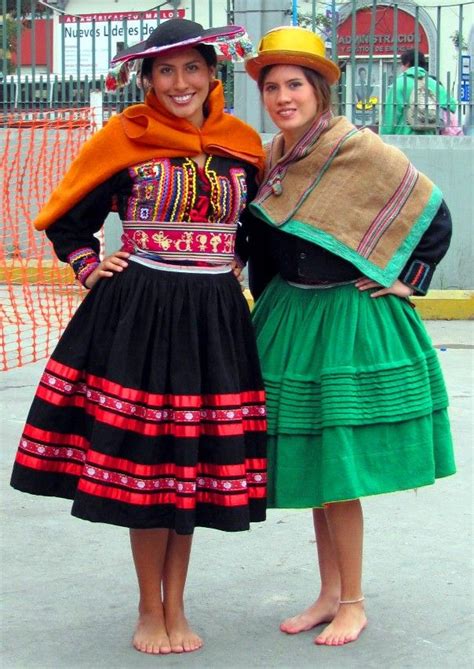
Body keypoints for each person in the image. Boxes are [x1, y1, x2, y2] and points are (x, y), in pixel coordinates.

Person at [10, 19, 267, 656]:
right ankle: (149, 610)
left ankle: (178, 605)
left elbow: (259, 232)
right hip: (142, 318)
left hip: (214, 320)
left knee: (192, 471)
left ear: (213, 75)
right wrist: (92, 267)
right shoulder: (124, 139)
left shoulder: (241, 147)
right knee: (149, 471)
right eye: (165, 71)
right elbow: (67, 220)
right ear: (146, 80)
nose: (180, 83)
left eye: (192, 69)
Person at [245, 26, 455, 647]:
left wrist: (409, 279)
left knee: (339, 468)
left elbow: (432, 213)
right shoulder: (268, 158)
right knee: (314, 465)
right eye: (273, 87)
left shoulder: (357, 148)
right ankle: (328, 594)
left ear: (320, 91)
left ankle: (354, 602)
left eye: (296, 85)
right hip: (291, 317)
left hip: (349, 321)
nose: (284, 97)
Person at [381, 49, 457, 134]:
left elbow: (391, 115)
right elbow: (452, 105)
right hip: (430, 138)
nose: (402, 68)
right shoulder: (433, 83)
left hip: (403, 137)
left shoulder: (399, 84)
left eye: (402, 64)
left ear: (407, 63)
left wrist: (385, 136)